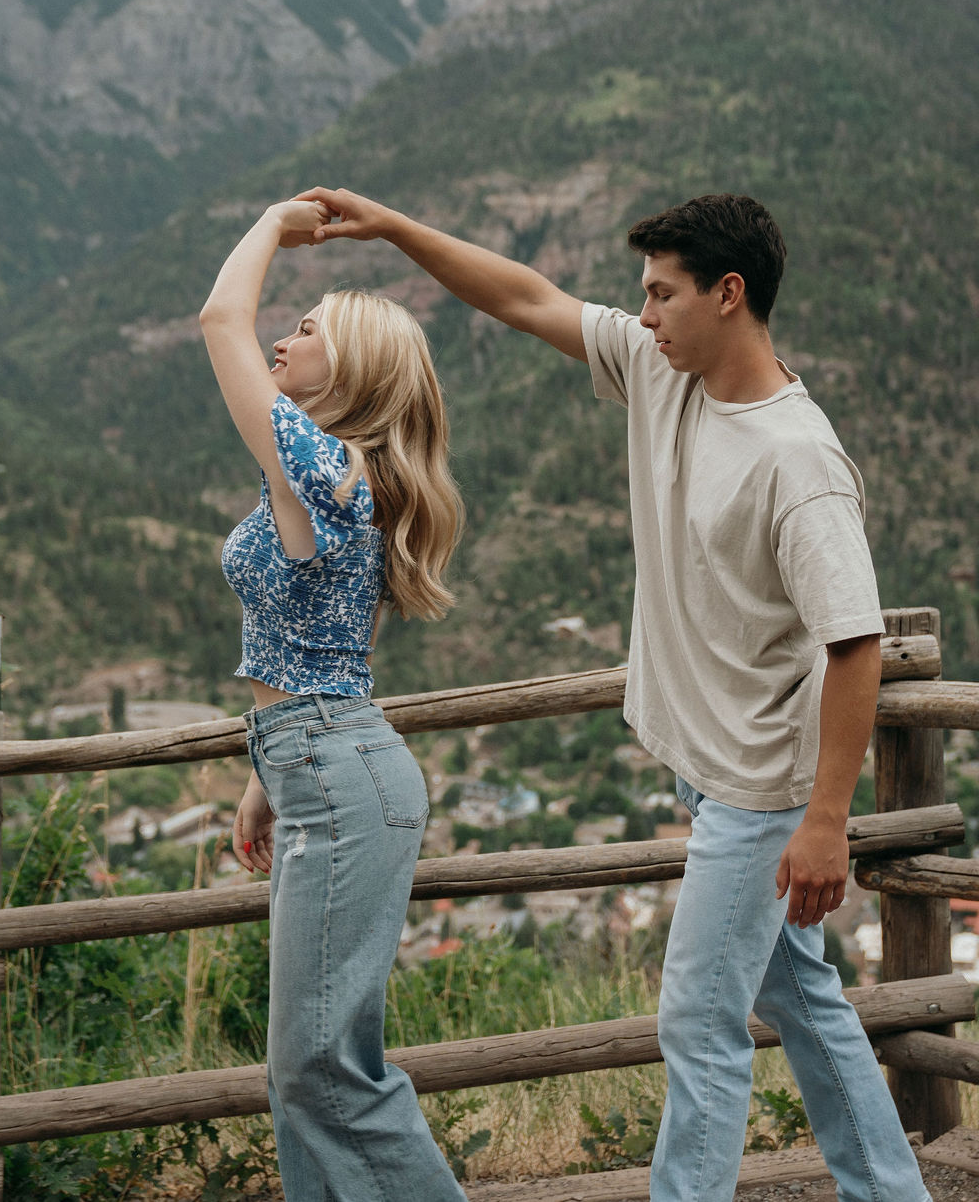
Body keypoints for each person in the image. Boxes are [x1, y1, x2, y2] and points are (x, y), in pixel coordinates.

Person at [293, 186, 931, 1202]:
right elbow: (525, 297)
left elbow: (854, 646)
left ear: (727, 295)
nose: (639, 316)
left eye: (659, 294)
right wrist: (393, 228)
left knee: (698, 1024)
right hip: (709, 769)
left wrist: (824, 821)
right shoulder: (658, 371)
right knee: (801, 996)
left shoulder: (797, 460)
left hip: (762, 789)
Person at [202, 198, 467, 1202]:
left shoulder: (324, 464)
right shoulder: (330, 472)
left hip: (338, 770)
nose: (282, 333)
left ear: (351, 368)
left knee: (325, 1069)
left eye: (308, 329)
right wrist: (268, 768)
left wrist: (271, 223)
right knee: (302, 1072)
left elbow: (216, 322)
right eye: (292, 322)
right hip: (318, 760)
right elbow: (320, 645)